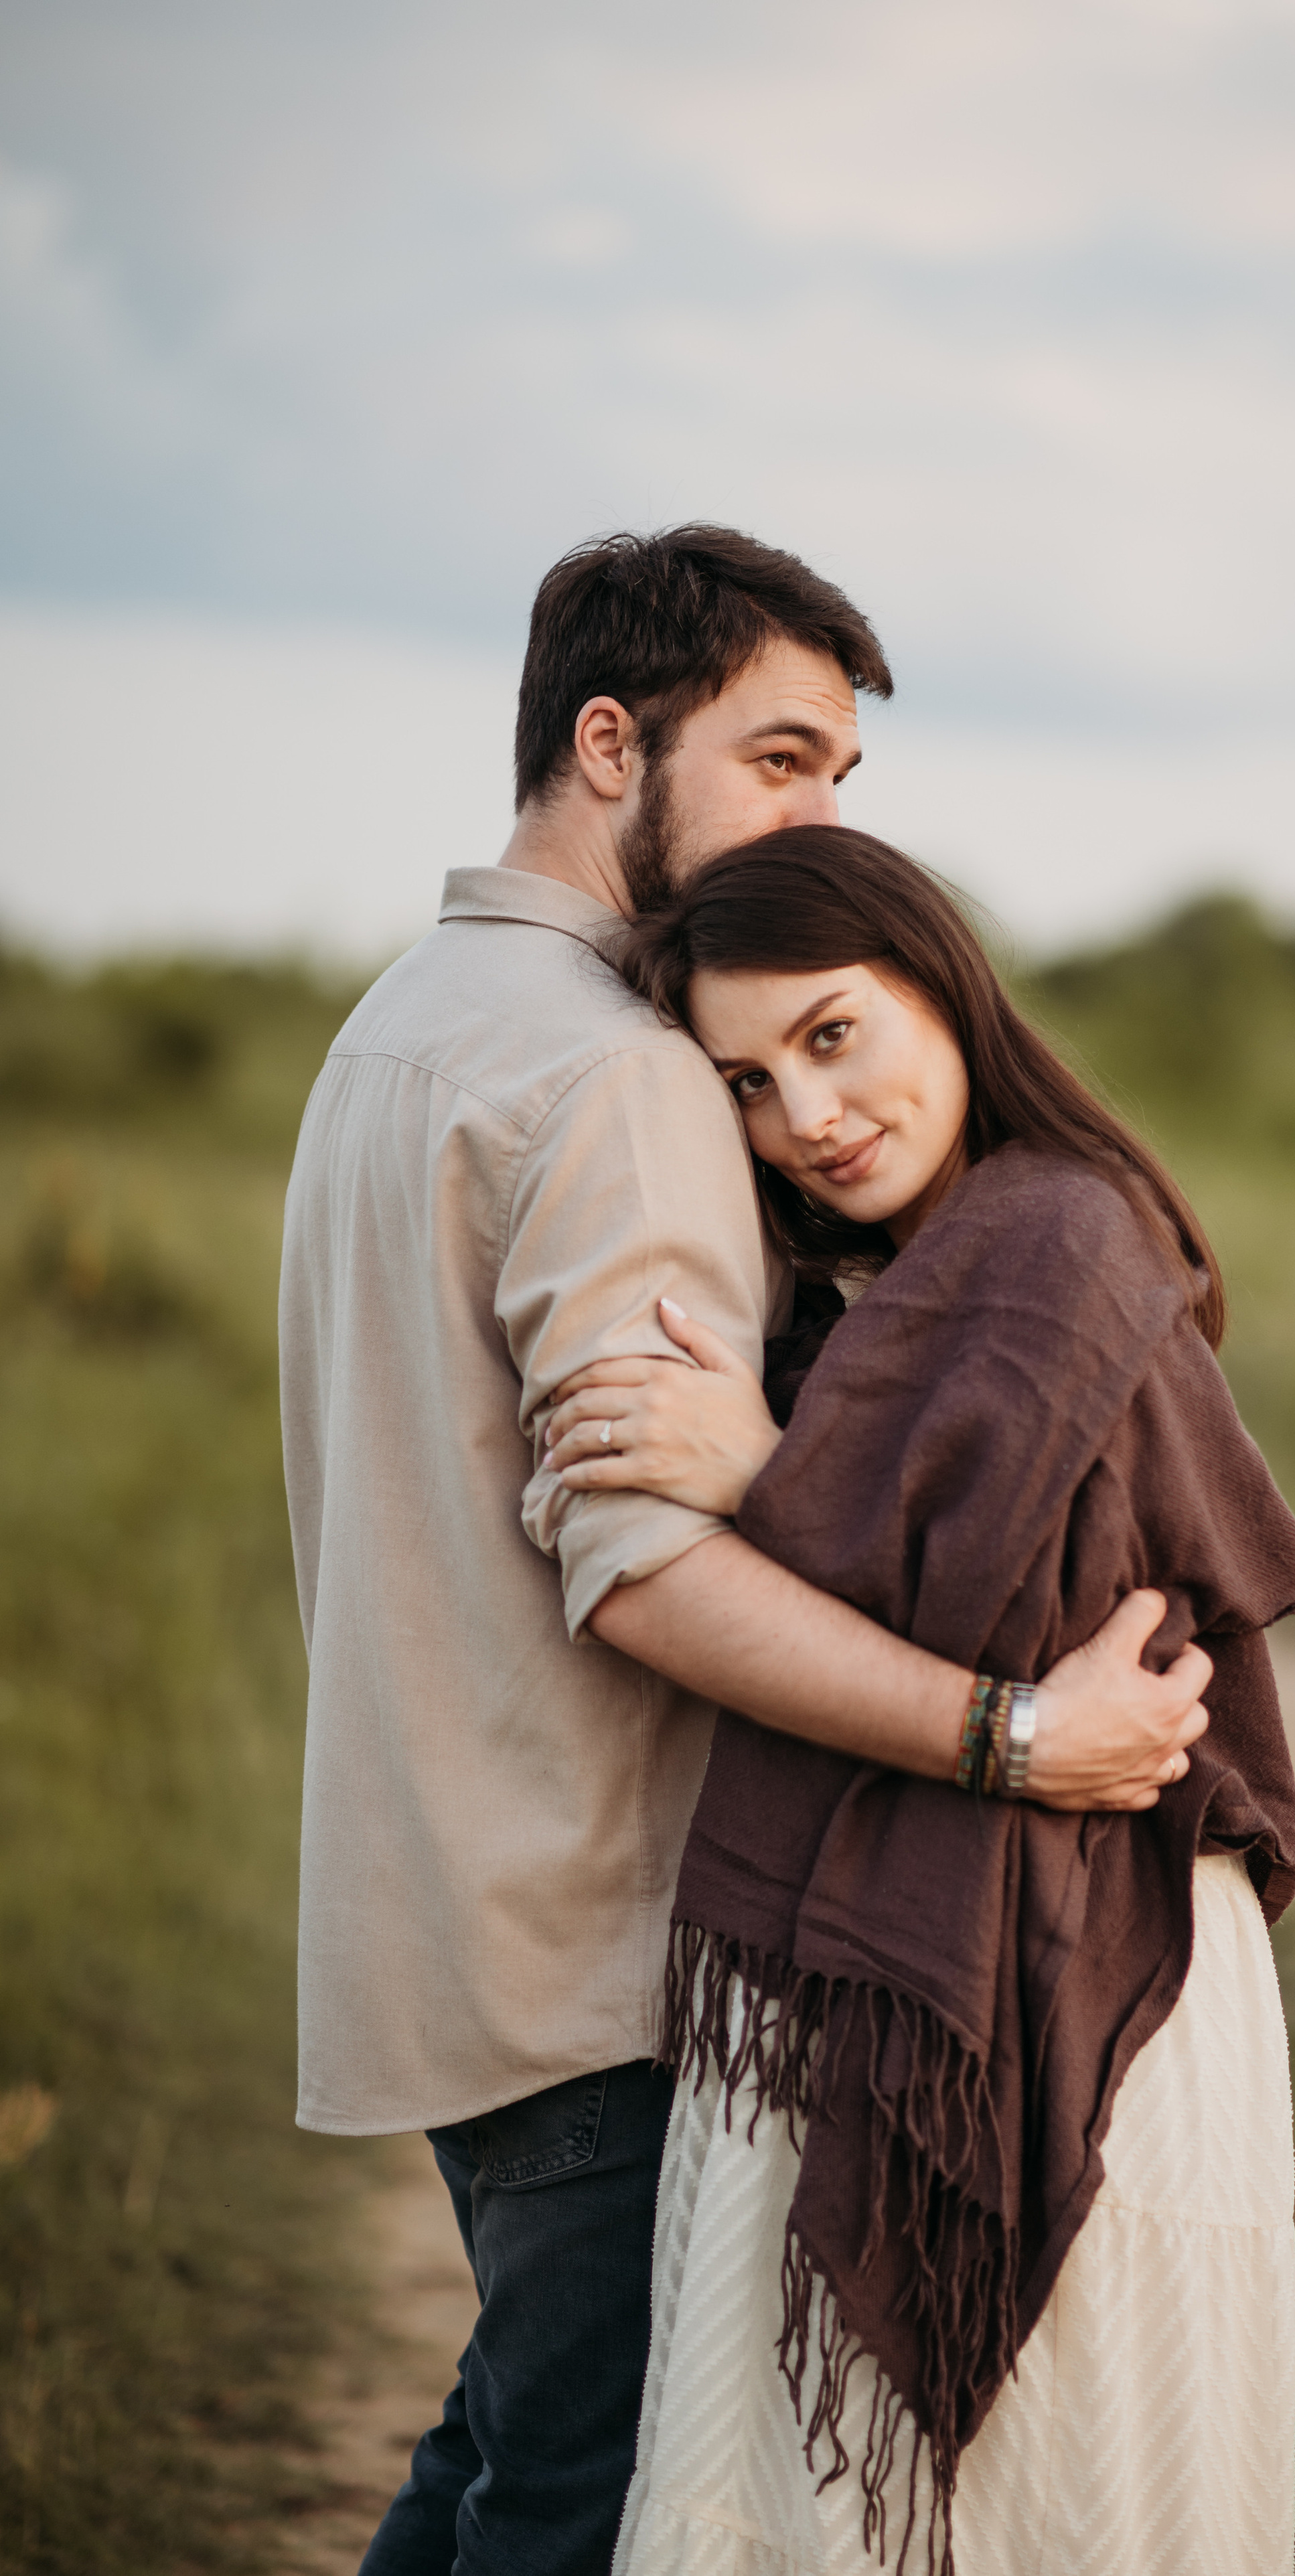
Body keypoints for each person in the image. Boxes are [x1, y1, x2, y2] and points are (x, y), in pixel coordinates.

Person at [279, 528, 1215, 2576]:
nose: (814, 815)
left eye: (837, 784)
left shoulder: (401, 1021)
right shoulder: (620, 1078)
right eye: (781, 758)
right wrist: (1005, 1735)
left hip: (438, 1896)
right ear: (611, 744)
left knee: (504, 2451)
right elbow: (643, 1566)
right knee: (579, 2497)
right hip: (591, 1932)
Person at [538, 826, 1295, 2576]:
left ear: (938, 983)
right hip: (900, 1952)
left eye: (833, 1036)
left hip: (1091, 1953)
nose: (805, 1114)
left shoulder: (1062, 1236)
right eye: (745, 1080)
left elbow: (1006, 1599)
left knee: (1062, 2491)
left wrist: (769, 1468)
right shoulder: (859, 1287)